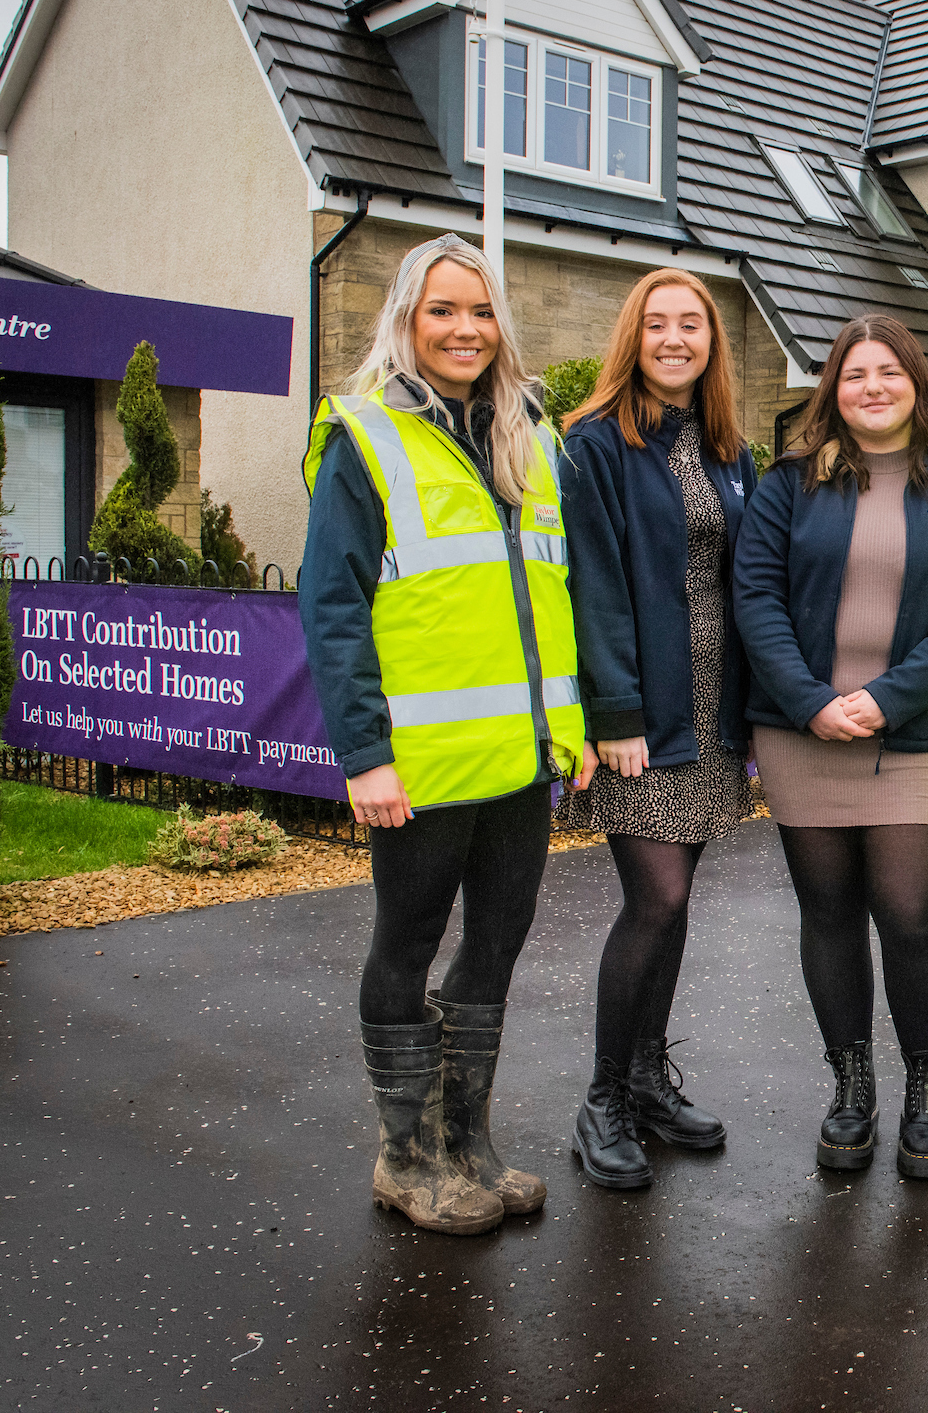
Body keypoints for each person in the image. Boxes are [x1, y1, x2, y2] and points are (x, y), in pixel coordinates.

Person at [300, 233, 592, 1236]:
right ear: (406, 323)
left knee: (497, 946)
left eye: (479, 312)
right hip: (420, 766)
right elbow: (332, 607)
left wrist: (576, 728)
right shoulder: (367, 437)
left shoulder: (531, 436)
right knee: (408, 945)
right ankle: (406, 1157)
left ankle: (468, 1143)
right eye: (442, 311)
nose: (464, 329)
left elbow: (554, 598)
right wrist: (364, 754)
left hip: (519, 761)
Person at [733, 315, 928, 1179]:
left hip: (913, 735)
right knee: (830, 914)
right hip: (802, 734)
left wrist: (883, 699)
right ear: (831, 391)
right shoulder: (788, 484)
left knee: (912, 917)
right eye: (854, 375)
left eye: (889, 371)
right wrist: (812, 704)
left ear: (917, 384)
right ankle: (852, 1087)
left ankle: (927, 1091)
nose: (872, 387)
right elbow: (756, 598)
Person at [557, 268, 760, 1192]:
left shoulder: (727, 452)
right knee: (657, 902)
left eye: (694, 325)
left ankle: (644, 1080)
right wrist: (616, 714)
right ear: (633, 337)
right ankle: (601, 1099)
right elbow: (591, 585)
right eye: (659, 324)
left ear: (712, 343)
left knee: (676, 907)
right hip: (646, 713)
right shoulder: (595, 445)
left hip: (713, 709)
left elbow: (741, 582)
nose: (676, 338)